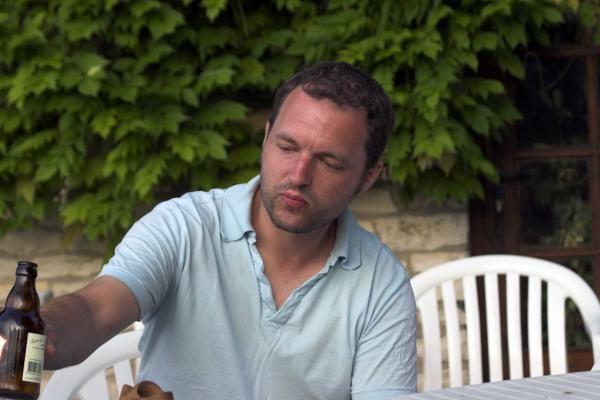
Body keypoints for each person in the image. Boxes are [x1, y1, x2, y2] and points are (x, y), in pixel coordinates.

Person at [42, 61, 417, 399]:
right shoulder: (185, 226)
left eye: (329, 163)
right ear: (266, 137)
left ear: (369, 175)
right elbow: (94, 310)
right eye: (287, 147)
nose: (298, 175)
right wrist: (44, 329)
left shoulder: (380, 283)